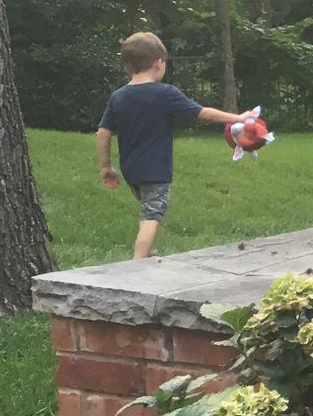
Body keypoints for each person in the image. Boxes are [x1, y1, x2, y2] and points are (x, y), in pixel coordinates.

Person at [97, 33, 251, 259]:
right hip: (155, 170)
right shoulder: (165, 93)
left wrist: (105, 166)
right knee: (152, 215)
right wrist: (237, 118)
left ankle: (146, 253)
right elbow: (203, 114)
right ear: (158, 63)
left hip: (130, 169)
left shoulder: (118, 97)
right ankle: (137, 262)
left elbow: (103, 132)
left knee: (148, 208)